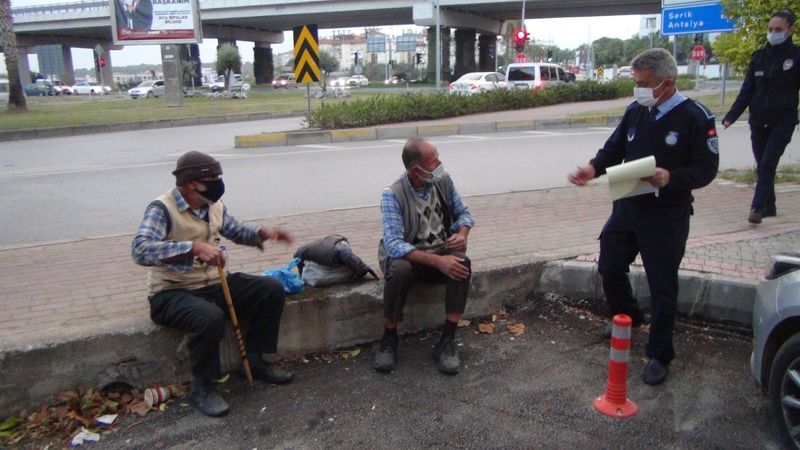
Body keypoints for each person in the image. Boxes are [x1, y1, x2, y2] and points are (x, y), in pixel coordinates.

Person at [568, 48, 719, 386]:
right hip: (629, 205)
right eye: (635, 82)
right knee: (609, 265)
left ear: (667, 83)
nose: (638, 89)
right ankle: (628, 317)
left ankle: (659, 354)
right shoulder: (636, 111)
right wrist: (592, 169)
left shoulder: (695, 117)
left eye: (644, 84)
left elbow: (707, 169)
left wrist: (671, 177)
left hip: (667, 215)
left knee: (662, 285)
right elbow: (614, 148)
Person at [132, 151, 294, 417]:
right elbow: (140, 249)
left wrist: (264, 233)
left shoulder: (213, 205)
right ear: (190, 183)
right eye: (212, 179)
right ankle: (202, 386)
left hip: (214, 284)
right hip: (172, 292)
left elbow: (236, 231)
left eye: (219, 177)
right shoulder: (162, 208)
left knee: (271, 289)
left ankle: (254, 360)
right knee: (209, 317)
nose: (218, 183)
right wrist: (192, 248)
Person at [375, 137, 474, 375]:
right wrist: (439, 262)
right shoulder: (392, 194)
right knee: (398, 270)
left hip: (440, 251)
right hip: (412, 259)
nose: (439, 164)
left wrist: (462, 234)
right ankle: (389, 338)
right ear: (416, 170)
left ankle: (447, 341)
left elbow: (464, 214)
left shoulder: (443, 181)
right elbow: (394, 244)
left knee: (462, 264)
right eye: (433, 161)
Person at [722, 9, 800, 224]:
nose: (773, 33)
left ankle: (757, 207)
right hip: (758, 120)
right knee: (763, 164)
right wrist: (731, 116)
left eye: (778, 29)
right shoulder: (759, 57)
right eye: (770, 29)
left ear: (789, 30)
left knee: (767, 164)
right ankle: (770, 205)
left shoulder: (796, 57)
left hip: (783, 121)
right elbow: (747, 90)